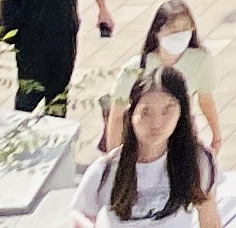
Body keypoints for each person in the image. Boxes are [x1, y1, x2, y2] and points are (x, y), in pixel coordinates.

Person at [78, 65, 221, 225]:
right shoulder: (106, 170)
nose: (156, 123)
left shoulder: (198, 161)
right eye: (146, 112)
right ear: (131, 114)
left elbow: (209, 216)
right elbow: (82, 218)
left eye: (167, 110)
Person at [133, 1, 223, 161]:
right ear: (157, 31)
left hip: (183, 133)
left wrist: (216, 134)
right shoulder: (139, 65)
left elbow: (206, 99)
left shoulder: (200, 59)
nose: (180, 35)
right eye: (173, 29)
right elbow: (118, 111)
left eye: (185, 28)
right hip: (146, 136)